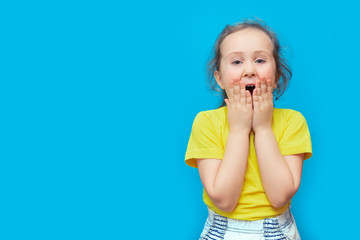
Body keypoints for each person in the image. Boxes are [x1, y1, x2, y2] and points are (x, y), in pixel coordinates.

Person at [184, 19, 312, 240]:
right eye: (236, 62)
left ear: (277, 77)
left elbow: (280, 196)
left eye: (260, 60)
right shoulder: (206, 123)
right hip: (222, 231)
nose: (249, 70)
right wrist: (238, 130)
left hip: (278, 231)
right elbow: (224, 200)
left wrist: (263, 128)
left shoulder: (293, 121)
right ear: (219, 79)